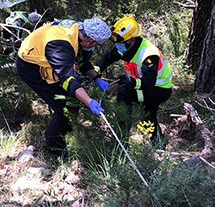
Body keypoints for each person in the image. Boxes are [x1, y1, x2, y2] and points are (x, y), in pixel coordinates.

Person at [17, 18, 112, 155]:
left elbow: (82, 61)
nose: (93, 46)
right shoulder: (60, 45)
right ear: (90, 40)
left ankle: (65, 133)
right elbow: (67, 79)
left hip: (48, 60)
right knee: (65, 107)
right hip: (30, 67)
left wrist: (96, 78)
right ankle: (54, 147)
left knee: (71, 103)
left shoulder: (80, 33)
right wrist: (89, 101)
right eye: (94, 44)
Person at [95, 16, 173, 140]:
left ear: (131, 40)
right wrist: (95, 72)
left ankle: (151, 140)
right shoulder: (125, 47)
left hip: (160, 89)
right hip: (146, 84)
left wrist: (130, 82)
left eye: (120, 42)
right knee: (129, 98)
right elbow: (107, 58)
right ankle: (125, 133)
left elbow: (148, 83)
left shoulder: (149, 54)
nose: (117, 45)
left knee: (144, 109)